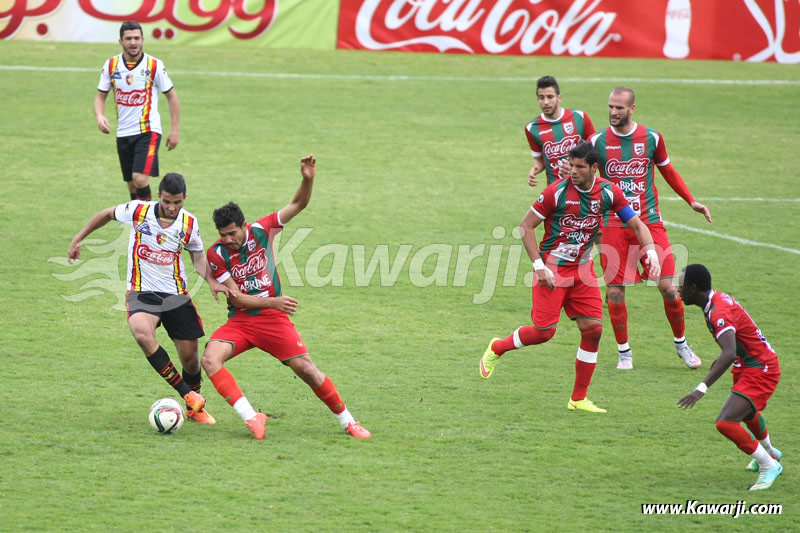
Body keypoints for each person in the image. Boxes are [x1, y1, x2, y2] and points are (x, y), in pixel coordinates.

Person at [480, 142, 660, 413]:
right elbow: (525, 226)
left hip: (583, 270)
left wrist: (652, 253)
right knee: (544, 332)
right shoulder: (557, 192)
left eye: (579, 167)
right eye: (571, 165)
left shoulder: (609, 192)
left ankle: (578, 399)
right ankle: (498, 347)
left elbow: (636, 223)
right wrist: (539, 266)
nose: (573, 171)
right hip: (553, 268)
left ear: (593, 168)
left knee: (594, 330)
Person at [201, 155, 371, 440]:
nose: (228, 239)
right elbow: (239, 299)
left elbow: (298, 205)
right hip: (242, 321)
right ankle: (251, 417)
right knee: (209, 359)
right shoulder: (216, 254)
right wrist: (273, 301)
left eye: (232, 233)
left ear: (243, 225)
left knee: (307, 370)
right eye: (223, 235)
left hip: (272, 321)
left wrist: (308, 179)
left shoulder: (262, 230)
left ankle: (348, 422)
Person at [68, 173, 231, 424]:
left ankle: (193, 407)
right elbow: (105, 214)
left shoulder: (189, 223)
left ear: (184, 198)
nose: (172, 207)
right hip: (141, 291)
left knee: (190, 359)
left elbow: (197, 254)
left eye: (177, 202)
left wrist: (210, 279)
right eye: (167, 201)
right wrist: (79, 237)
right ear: (159, 196)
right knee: (141, 332)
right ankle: (187, 396)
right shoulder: (138, 211)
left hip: (175, 294)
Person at [590, 86, 712, 371]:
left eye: (619, 107)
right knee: (616, 293)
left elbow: (668, 171)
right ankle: (624, 353)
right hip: (613, 224)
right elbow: (586, 179)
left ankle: (681, 345)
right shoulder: (597, 140)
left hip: (649, 221)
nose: (613, 112)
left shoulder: (652, 138)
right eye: (610, 106)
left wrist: (690, 200)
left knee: (669, 288)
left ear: (632, 108)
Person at [677, 264, 782, 491]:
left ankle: (768, 465)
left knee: (725, 422)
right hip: (748, 364)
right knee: (747, 412)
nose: (678, 290)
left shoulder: (718, 312)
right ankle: (770, 451)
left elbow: (729, 352)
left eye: (682, 286)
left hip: (760, 368)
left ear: (694, 288)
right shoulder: (714, 302)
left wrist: (701, 388)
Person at [95, 21, 180, 202]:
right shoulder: (111, 66)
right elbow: (100, 96)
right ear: (121, 41)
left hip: (148, 131)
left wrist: (175, 130)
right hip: (123, 132)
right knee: (132, 185)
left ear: (143, 40)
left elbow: (172, 96)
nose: (133, 42)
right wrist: (99, 115)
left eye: (136, 38)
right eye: (128, 39)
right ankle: (137, 223)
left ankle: (149, 221)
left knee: (140, 179)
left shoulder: (154, 65)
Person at [525, 75, 596, 187]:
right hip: (556, 189)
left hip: (583, 186)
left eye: (550, 97)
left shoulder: (579, 117)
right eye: (541, 97)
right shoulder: (532, 128)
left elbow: (595, 151)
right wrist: (534, 170)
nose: (546, 102)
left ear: (559, 97)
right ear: (537, 99)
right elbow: (539, 160)